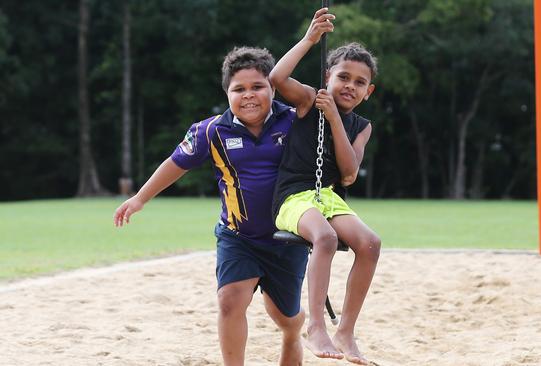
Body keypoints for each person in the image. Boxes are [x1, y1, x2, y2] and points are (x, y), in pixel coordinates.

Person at [113, 46, 308, 366]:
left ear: (273, 88)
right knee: (230, 302)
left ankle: (293, 330)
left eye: (258, 87)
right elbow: (176, 163)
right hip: (238, 237)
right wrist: (139, 198)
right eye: (239, 89)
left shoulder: (295, 120)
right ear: (227, 93)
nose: (249, 95)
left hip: (287, 239)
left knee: (284, 317)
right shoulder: (211, 131)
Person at [270, 7, 381, 365]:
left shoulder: (361, 125)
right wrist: (309, 39)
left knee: (369, 243)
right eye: (343, 77)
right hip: (292, 196)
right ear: (328, 76)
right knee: (326, 238)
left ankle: (345, 330)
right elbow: (276, 77)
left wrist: (334, 117)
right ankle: (316, 325)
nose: (350, 86)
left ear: (368, 91)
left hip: (327, 196)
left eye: (359, 82)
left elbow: (348, 173)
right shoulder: (308, 100)